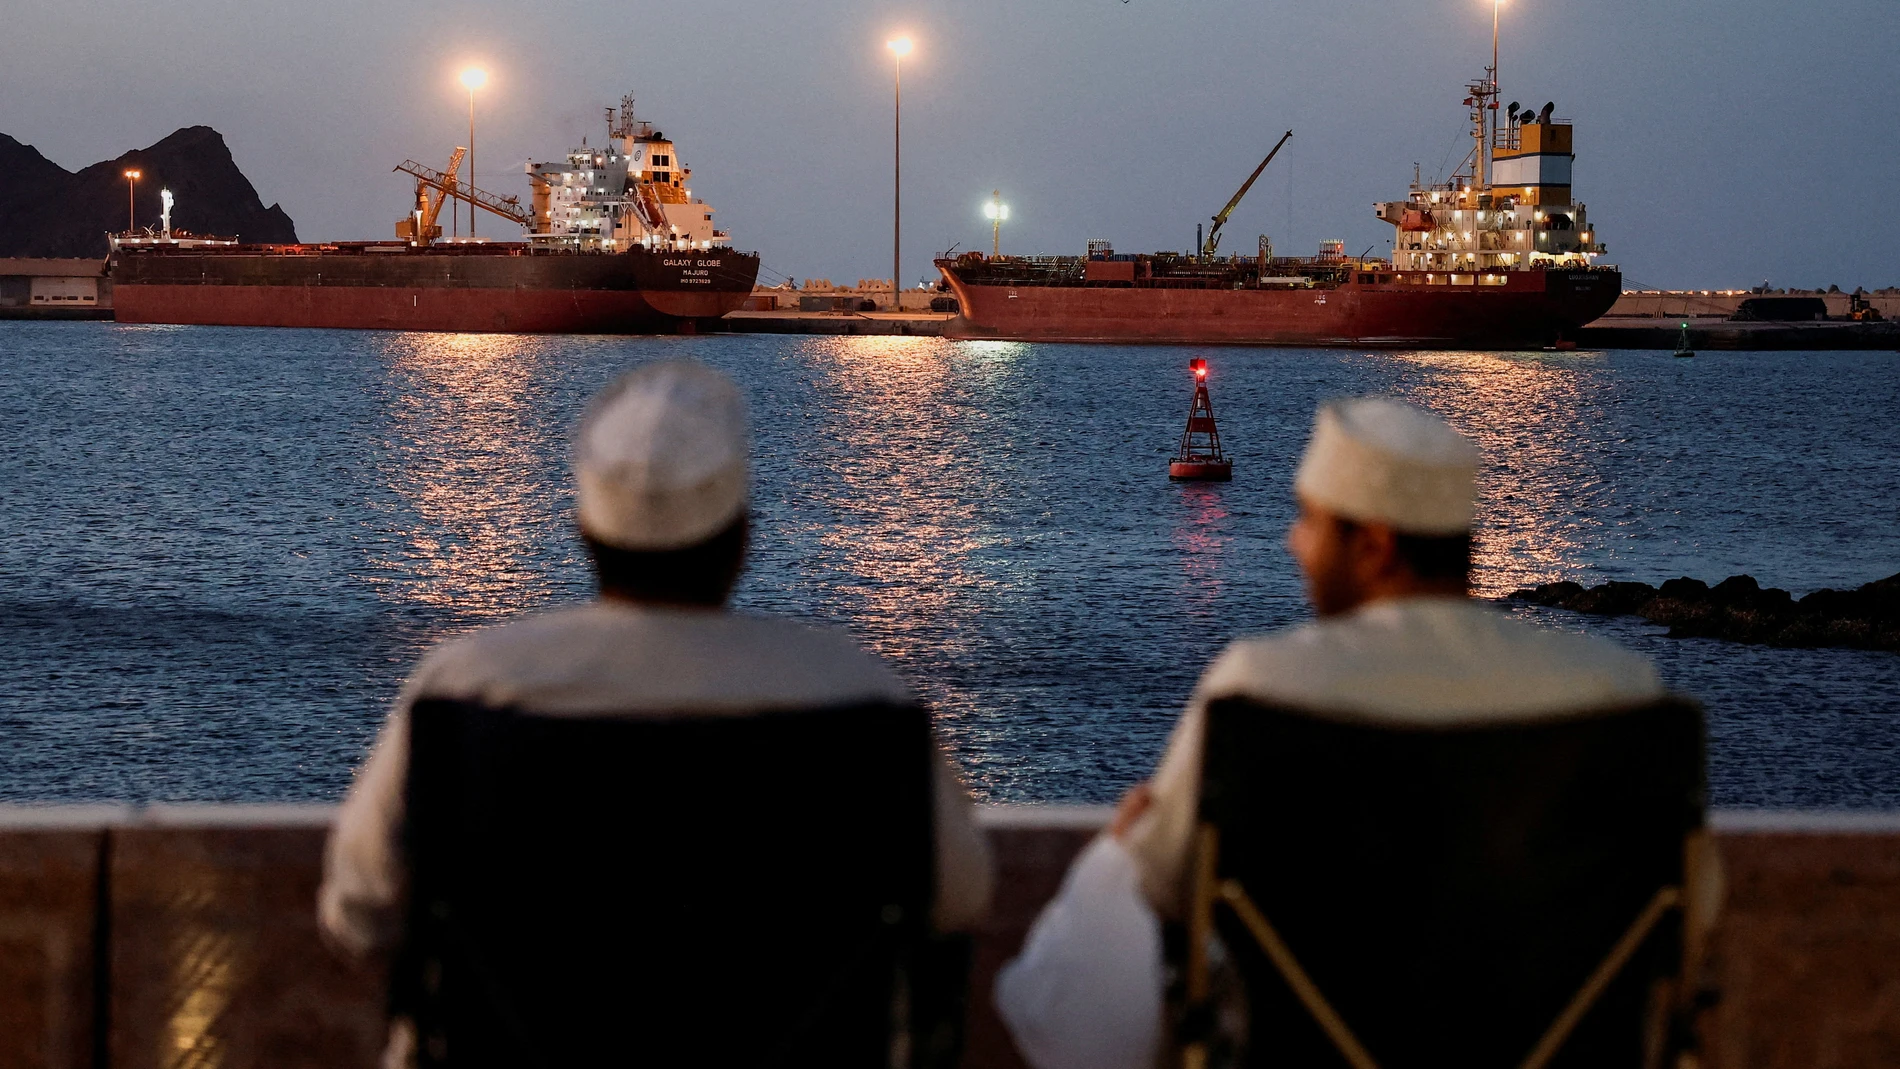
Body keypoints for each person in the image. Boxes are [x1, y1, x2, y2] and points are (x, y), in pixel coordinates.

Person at [319, 360, 993, 1056]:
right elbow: (961, 893)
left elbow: (357, 902)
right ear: (741, 541)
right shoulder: (868, 698)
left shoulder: (460, 688)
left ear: (584, 534)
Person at [995, 397, 1665, 1069]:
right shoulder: (1623, 696)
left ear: (1374, 547)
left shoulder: (1259, 688)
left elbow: (1161, 891)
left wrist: (1124, 844)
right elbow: (1683, 904)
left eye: (1311, 521)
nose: (1293, 542)